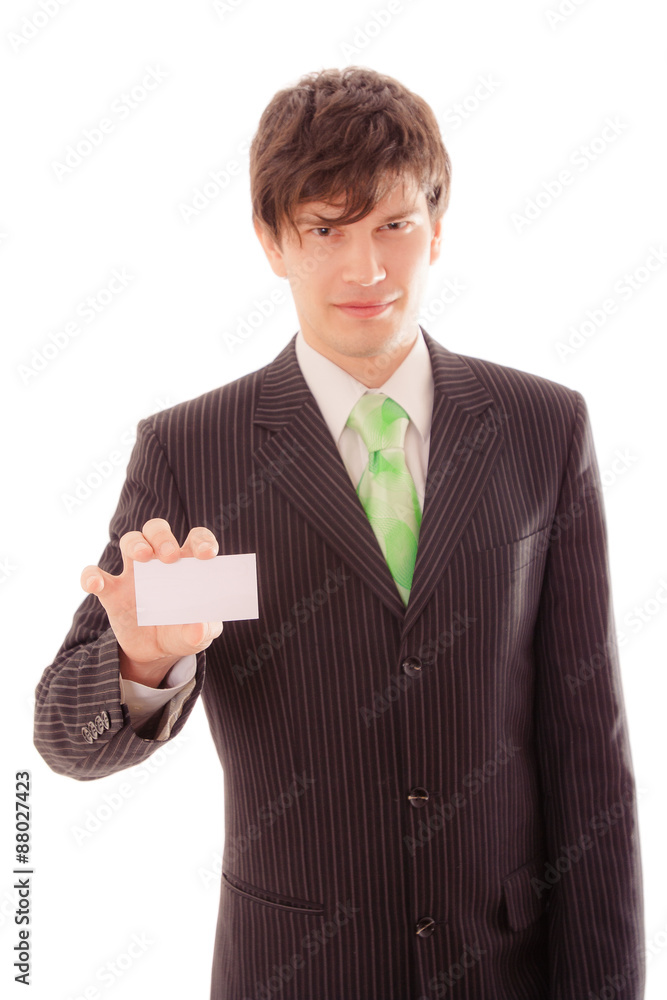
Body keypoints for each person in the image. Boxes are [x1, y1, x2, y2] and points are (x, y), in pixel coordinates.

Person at [34, 66, 645, 999]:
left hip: (504, 969)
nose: (366, 270)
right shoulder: (193, 450)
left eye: (393, 225)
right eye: (325, 230)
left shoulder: (542, 427)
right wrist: (144, 662)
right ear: (271, 241)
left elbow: (589, 753)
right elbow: (65, 740)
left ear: (437, 227)